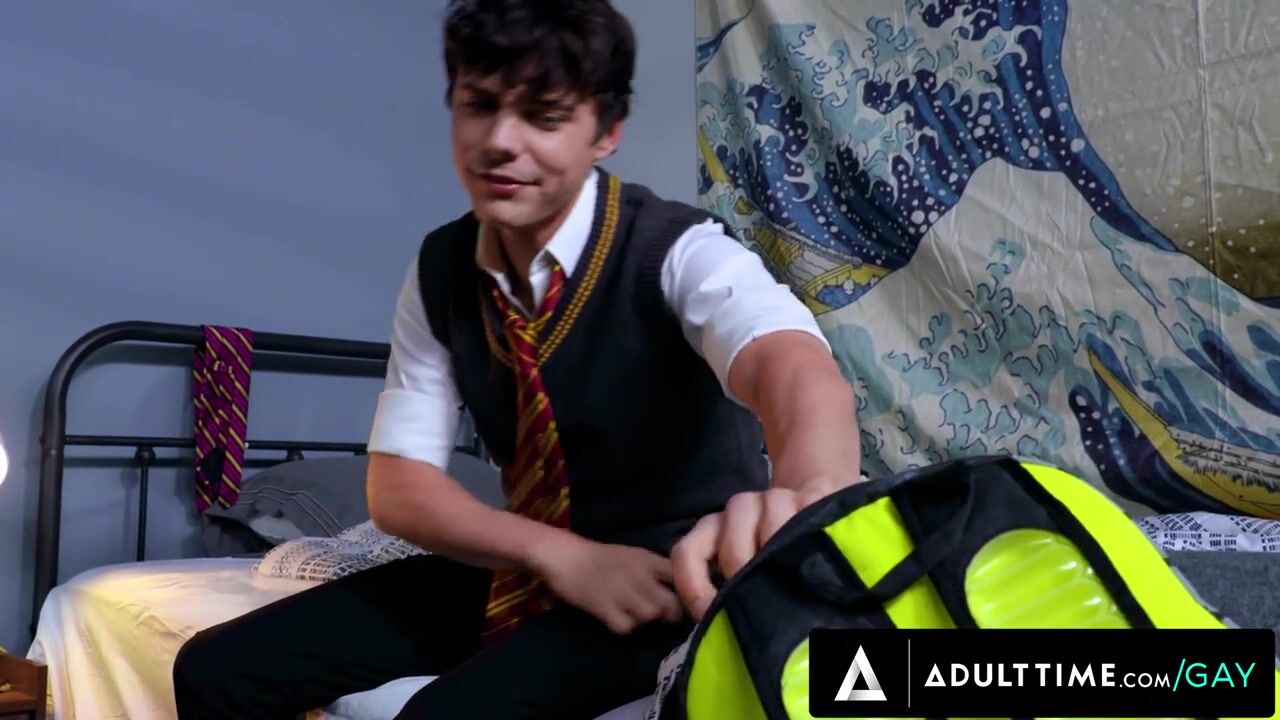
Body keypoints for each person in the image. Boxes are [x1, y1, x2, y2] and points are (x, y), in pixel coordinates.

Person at [172, 1, 862, 717]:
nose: (501, 142)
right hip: (529, 563)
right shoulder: (440, 270)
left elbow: (793, 369)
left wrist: (805, 498)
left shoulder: (680, 250)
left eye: (544, 115)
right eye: (480, 106)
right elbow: (400, 490)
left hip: (667, 578)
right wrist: (559, 556)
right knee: (214, 670)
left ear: (606, 133)